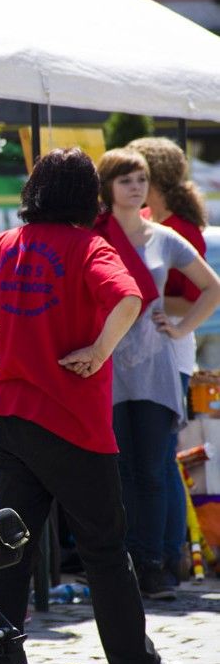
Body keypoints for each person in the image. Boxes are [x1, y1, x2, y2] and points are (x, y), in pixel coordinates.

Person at [0, 147, 188, 664]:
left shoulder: (3, 246)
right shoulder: (90, 245)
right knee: (105, 551)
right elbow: (130, 298)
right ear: (87, 196)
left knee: (11, 553)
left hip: (13, 414)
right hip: (75, 420)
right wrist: (97, 350)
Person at [95, 148, 220, 601]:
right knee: (118, 468)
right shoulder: (94, 235)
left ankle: (154, 566)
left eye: (141, 179)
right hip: (105, 359)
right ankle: (126, 562)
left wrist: (183, 327)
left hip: (153, 363)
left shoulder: (164, 237)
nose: (136, 187)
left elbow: (212, 287)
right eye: (126, 179)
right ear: (107, 186)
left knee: (150, 467)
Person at [129, 136, 208, 586]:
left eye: (139, 174)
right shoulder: (146, 220)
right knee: (150, 457)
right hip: (144, 352)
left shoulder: (179, 227)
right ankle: (157, 552)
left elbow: (196, 298)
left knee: (161, 457)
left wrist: (149, 302)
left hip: (171, 349)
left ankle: (166, 555)